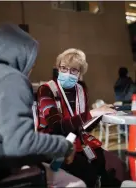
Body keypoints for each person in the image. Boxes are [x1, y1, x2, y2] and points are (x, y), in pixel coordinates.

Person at [0, 25, 86, 187]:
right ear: (21, 55)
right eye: (32, 59)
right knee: (77, 183)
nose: (32, 66)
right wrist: (64, 146)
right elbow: (20, 144)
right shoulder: (12, 79)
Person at [37, 48, 128, 187]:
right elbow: (57, 126)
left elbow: (84, 127)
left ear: (80, 73)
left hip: (78, 141)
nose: (68, 73)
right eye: (63, 68)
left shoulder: (81, 90)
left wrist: (101, 114)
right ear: (58, 68)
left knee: (116, 165)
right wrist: (93, 113)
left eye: (74, 70)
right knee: (89, 172)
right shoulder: (47, 90)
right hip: (54, 144)